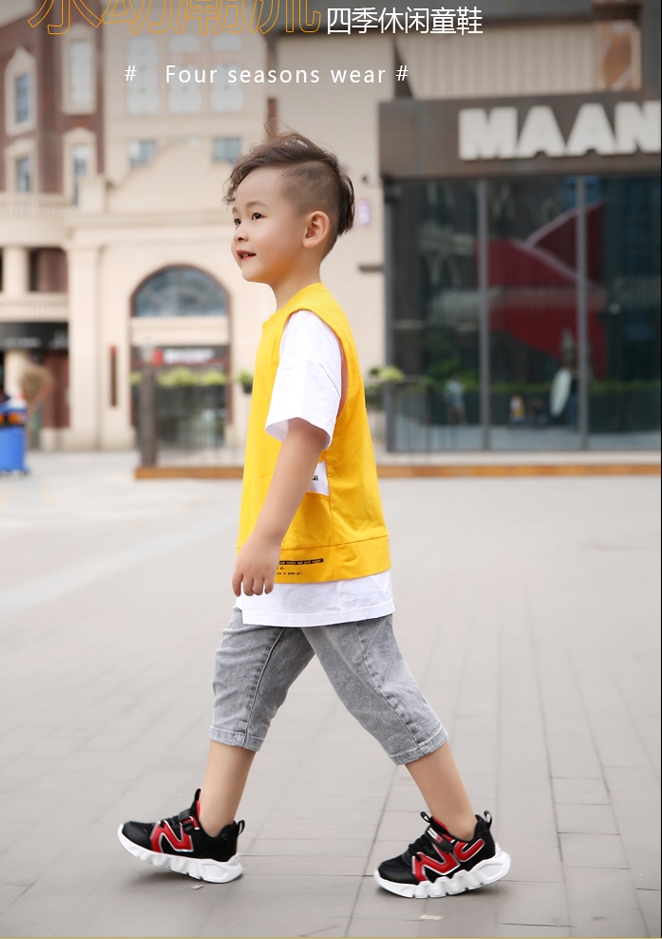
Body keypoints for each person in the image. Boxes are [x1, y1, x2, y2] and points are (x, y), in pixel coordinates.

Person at [118, 132, 510, 898]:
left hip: (321, 561)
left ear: (313, 228)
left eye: (255, 215)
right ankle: (210, 830)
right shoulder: (290, 323)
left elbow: (306, 438)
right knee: (240, 680)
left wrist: (264, 537)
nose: (239, 231)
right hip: (292, 569)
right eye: (235, 217)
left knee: (381, 694)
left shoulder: (307, 327)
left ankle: (464, 838)